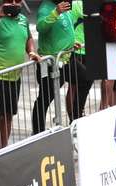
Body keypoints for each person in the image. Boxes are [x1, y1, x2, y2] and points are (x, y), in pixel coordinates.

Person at [0, 0, 40, 152]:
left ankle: (3, 149)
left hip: (14, 76)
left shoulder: (23, 19)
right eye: (10, 1)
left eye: (17, 1)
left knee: (8, 115)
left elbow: (29, 38)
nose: (13, 3)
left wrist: (31, 51)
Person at [32, 0, 92, 134]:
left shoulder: (64, 6)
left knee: (86, 79)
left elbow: (64, 28)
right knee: (45, 98)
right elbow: (41, 27)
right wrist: (56, 13)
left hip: (66, 58)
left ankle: (76, 119)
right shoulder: (46, 7)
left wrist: (71, 41)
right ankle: (38, 132)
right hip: (51, 63)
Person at [66, 1, 93, 118]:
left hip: (88, 49)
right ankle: (72, 117)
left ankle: (78, 113)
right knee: (73, 86)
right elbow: (91, 15)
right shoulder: (77, 3)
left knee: (84, 84)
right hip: (77, 50)